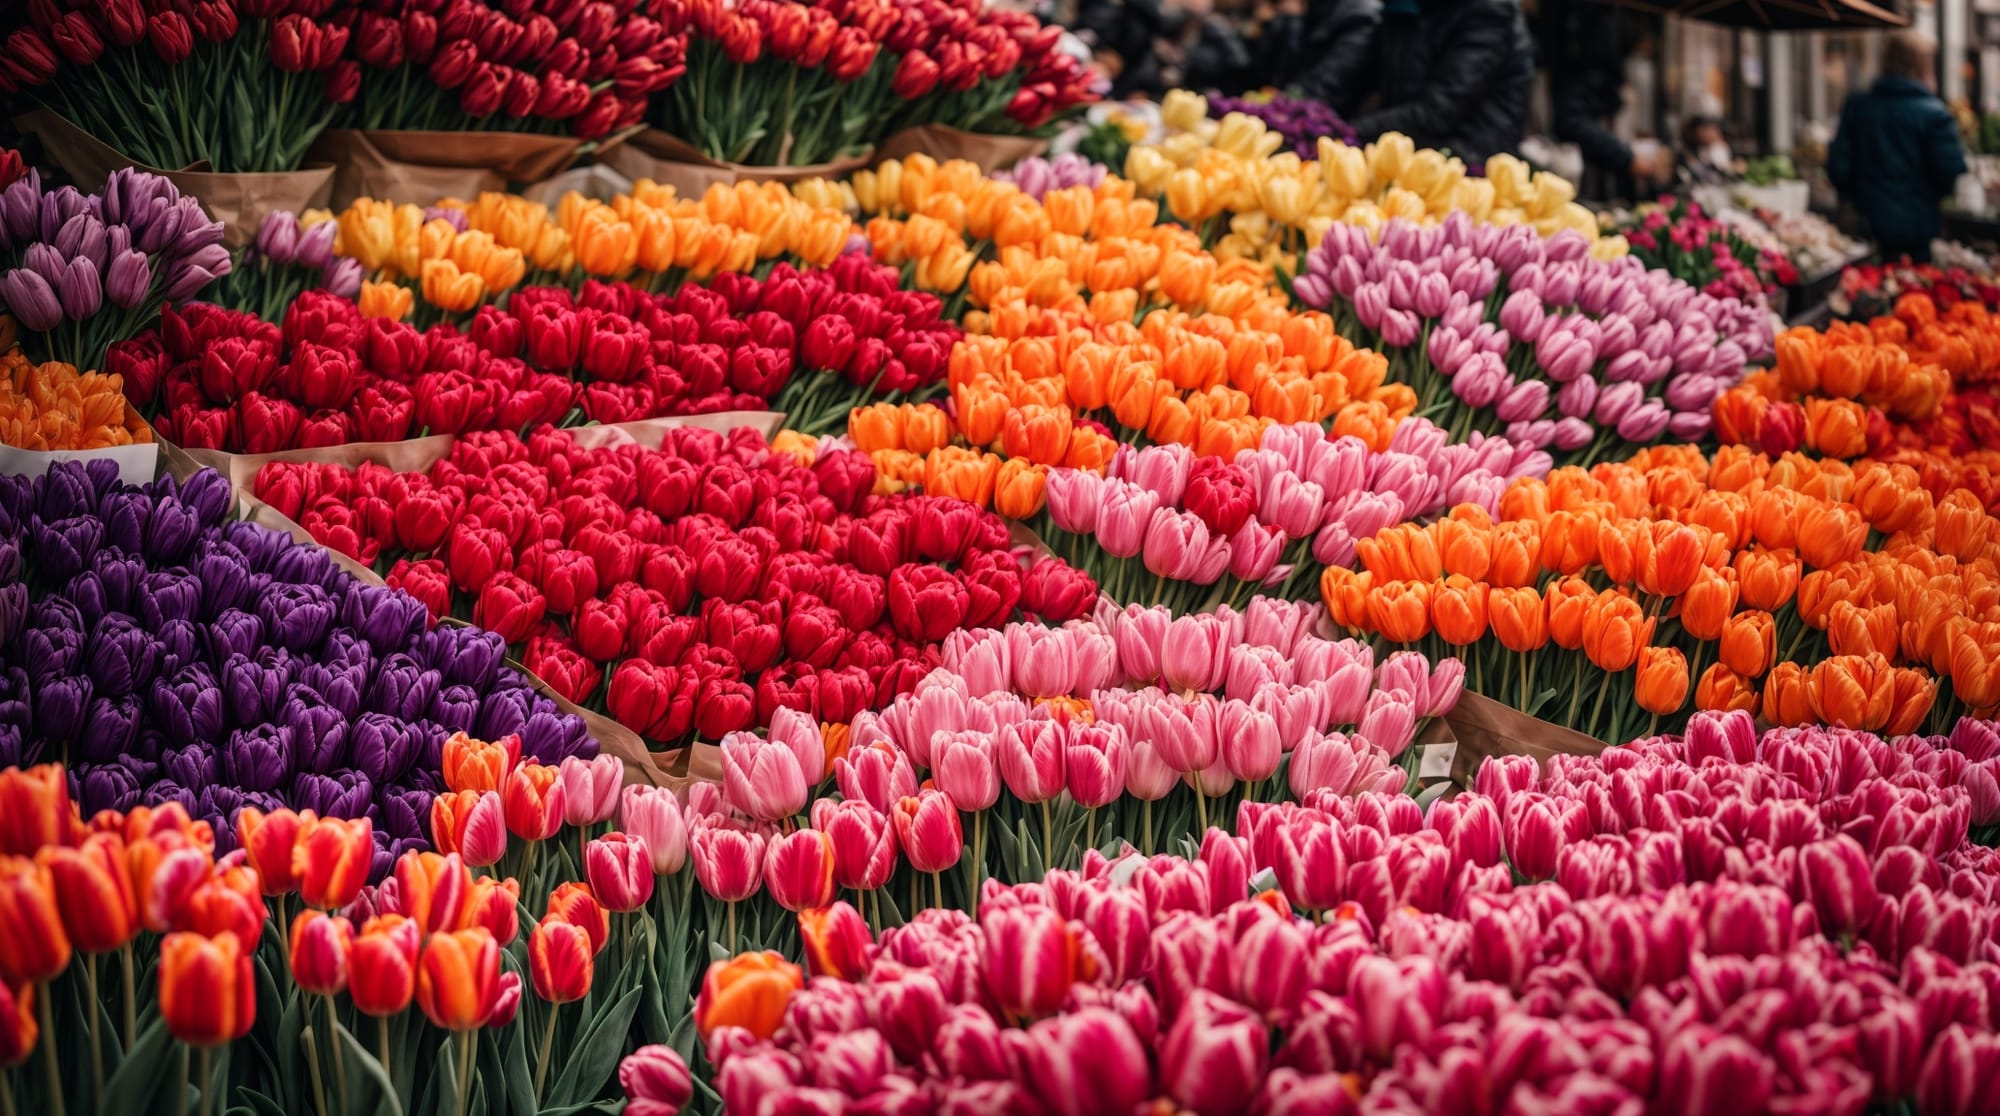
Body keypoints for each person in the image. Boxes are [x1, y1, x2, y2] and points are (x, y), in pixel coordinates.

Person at [1827, 31, 1967, 264]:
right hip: (1918, 227)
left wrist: (1858, 196)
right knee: (1915, 294)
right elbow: (1951, 172)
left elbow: (1838, 168)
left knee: (1865, 290)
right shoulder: (1935, 114)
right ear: (1924, 65)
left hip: (1866, 224)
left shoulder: (1858, 106)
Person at [1345, 0, 1535, 166]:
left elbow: (1439, 112)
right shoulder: (1402, 6)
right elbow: (1359, 76)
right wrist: (1321, 120)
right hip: (1408, 153)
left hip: (1469, 161)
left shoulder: (1487, 12)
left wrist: (1351, 130)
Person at [1549, 5, 1668, 198]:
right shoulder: (1584, 33)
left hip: (1601, 158)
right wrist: (1626, 158)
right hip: (1580, 167)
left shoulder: (1602, 30)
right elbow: (1571, 119)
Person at [1255, 0, 1382, 116]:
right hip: (1296, 111)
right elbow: (1270, 75)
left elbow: (1328, 86)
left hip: (1331, 122)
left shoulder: (1361, 14)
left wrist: (1276, 106)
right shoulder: (1306, 10)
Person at [1676, 116, 1736, 186]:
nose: (1712, 133)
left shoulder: (1721, 148)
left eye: (1714, 129)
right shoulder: (1690, 151)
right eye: (1706, 130)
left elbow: (1727, 169)